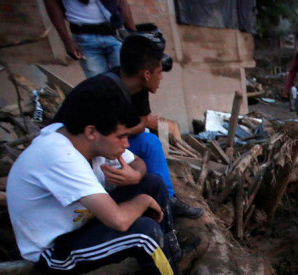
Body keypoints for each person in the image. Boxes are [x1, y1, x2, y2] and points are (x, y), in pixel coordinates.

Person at [6, 76, 210, 275]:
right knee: (145, 232)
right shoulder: (59, 156)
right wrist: (142, 201)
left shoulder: (87, 139)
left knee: (152, 182)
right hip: (54, 250)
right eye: (121, 137)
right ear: (92, 132)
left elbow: (140, 164)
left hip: (84, 224)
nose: (126, 144)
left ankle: (172, 250)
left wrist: (135, 177)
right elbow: (119, 221)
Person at [54, 34, 203, 219]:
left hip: (103, 141)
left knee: (149, 141)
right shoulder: (104, 92)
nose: (161, 78)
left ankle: (169, 199)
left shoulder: (137, 87)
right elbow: (109, 133)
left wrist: (124, 139)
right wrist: (123, 137)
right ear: (146, 74)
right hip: (81, 151)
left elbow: (140, 126)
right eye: (159, 72)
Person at [44, 0, 136, 78]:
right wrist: (67, 41)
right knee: (98, 88)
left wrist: (134, 34)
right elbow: (51, 3)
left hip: (116, 33)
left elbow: (122, 2)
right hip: (84, 38)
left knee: (129, 80)